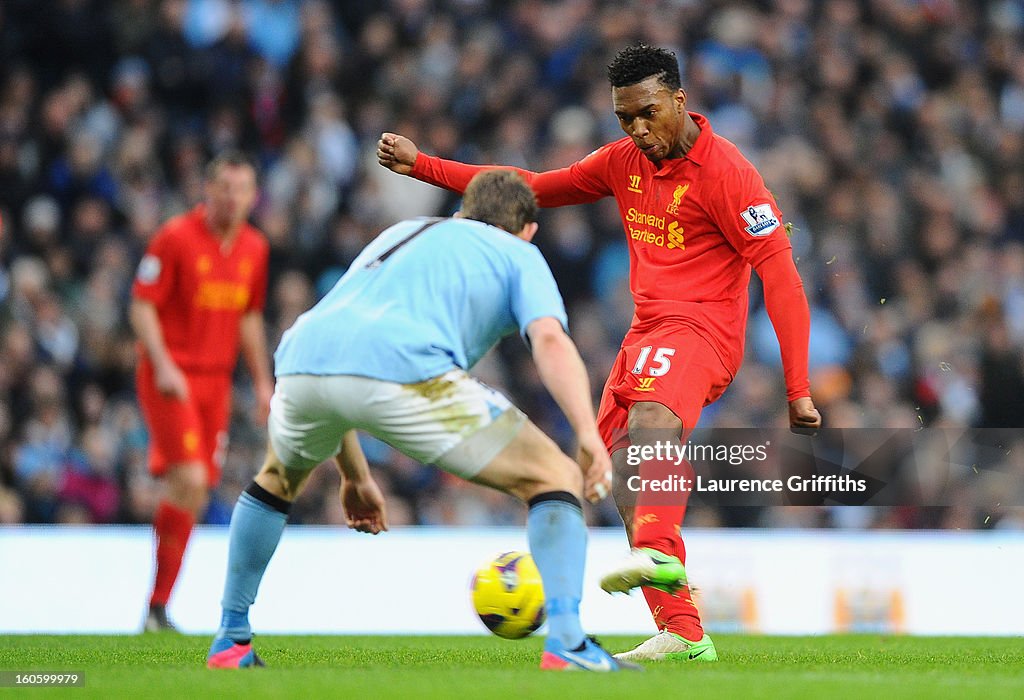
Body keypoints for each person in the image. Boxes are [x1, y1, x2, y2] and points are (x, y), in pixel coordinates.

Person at [377, 43, 822, 662]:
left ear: (679, 100)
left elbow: (779, 273)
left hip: (702, 332)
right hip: (645, 333)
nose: (638, 130)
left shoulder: (729, 174)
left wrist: (797, 386)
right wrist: (423, 166)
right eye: (625, 119)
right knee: (617, 475)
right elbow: (529, 187)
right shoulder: (622, 162)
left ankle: (658, 551)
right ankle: (684, 634)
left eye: (648, 113)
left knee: (650, 427)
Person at [205, 170, 634, 672]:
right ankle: (567, 643)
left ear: (461, 213)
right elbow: (550, 340)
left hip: (301, 357)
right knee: (557, 477)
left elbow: (346, 350)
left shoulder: (403, 232)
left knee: (276, 479)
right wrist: (586, 432)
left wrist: (355, 476)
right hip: (406, 369)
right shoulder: (519, 253)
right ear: (528, 230)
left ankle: (231, 639)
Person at [130, 151, 273, 632]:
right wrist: (163, 362)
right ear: (207, 190)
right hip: (171, 376)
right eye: (225, 187)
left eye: (242, 189)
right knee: (189, 479)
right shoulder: (175, 237)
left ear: (254, 197)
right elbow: (142, 305)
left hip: (216, 382)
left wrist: (260, 381)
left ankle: (157, 608)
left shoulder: (255, 248)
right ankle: (156, 605)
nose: (233, 198)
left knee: (192, 490)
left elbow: (249, 316)